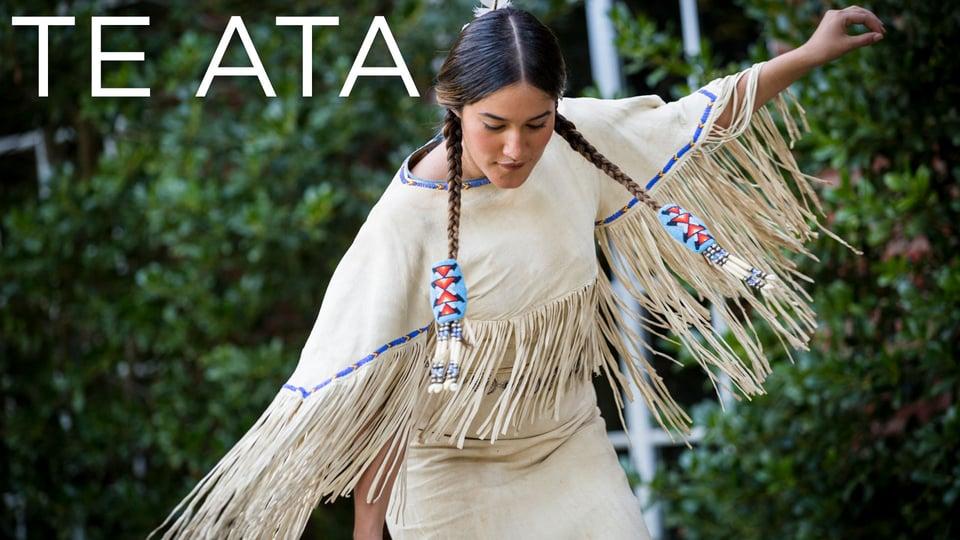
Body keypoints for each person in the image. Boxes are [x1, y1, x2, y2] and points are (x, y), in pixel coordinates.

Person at [149, 2, 885, 539]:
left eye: (535, 125)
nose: (515, 149)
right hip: (449, 483)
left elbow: (700, 116)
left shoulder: (577, 143)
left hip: (568, 447)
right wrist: (368, 536)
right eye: (493, 126)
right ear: (454, 109)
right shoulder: (405, 227)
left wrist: (810, 54)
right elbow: (378, 393)